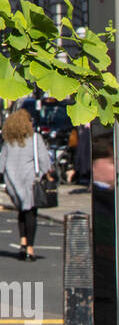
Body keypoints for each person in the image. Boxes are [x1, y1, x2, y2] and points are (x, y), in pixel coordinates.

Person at [0, 107, 53, 259]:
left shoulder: (9, 141)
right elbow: (44, 161)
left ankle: (23, 242)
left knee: (22, 211)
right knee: (31, 213)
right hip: (30, 181)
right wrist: (47, 174)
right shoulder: (35, 139)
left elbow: (2, 163)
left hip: (12, 182)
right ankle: (30, 248)